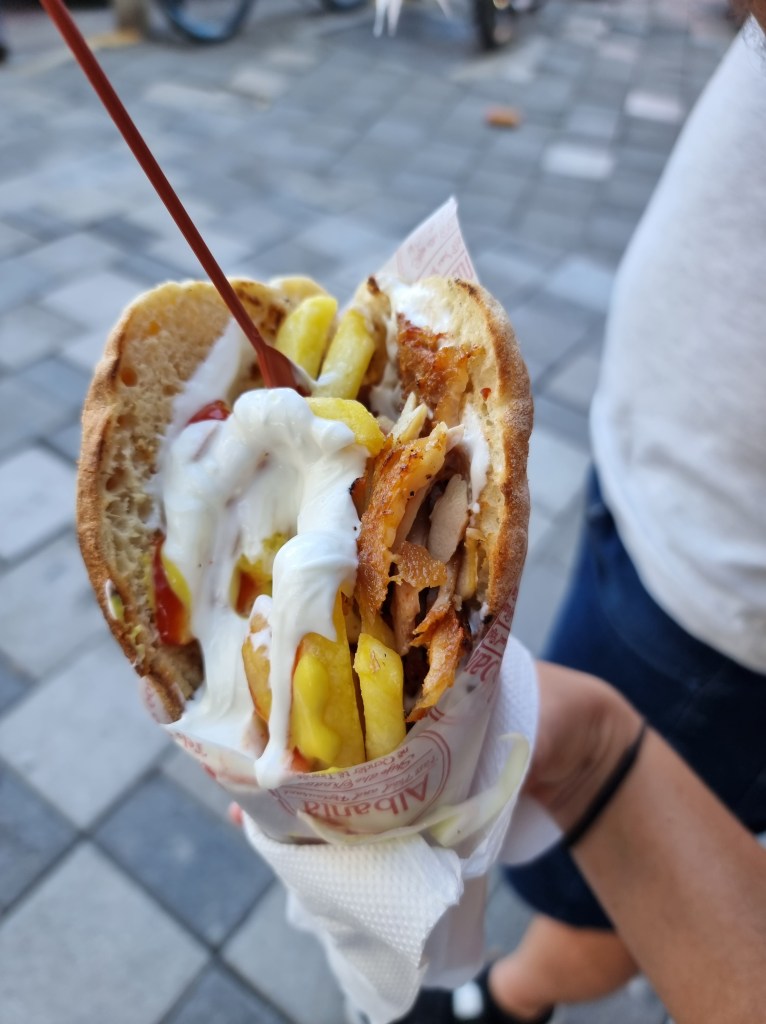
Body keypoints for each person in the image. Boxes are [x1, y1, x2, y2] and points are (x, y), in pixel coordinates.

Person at [401, 2, 766, 1021]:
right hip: (661, 482)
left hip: (723, 591)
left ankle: (503, 1001)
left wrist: (607, 768)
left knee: (591, 894)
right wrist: (599, 750)